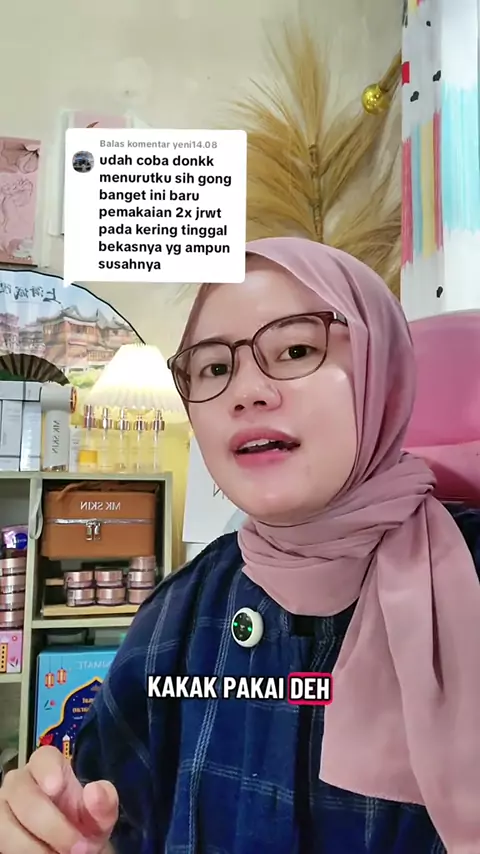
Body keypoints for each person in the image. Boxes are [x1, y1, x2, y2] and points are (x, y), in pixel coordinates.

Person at [1, 236, 480, 854]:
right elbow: (108, 817)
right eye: (214, 368)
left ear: (381, 374)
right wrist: (52, 826)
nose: (245, 391)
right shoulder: (180, 611)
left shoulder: (468, 574)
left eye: (296, 350)